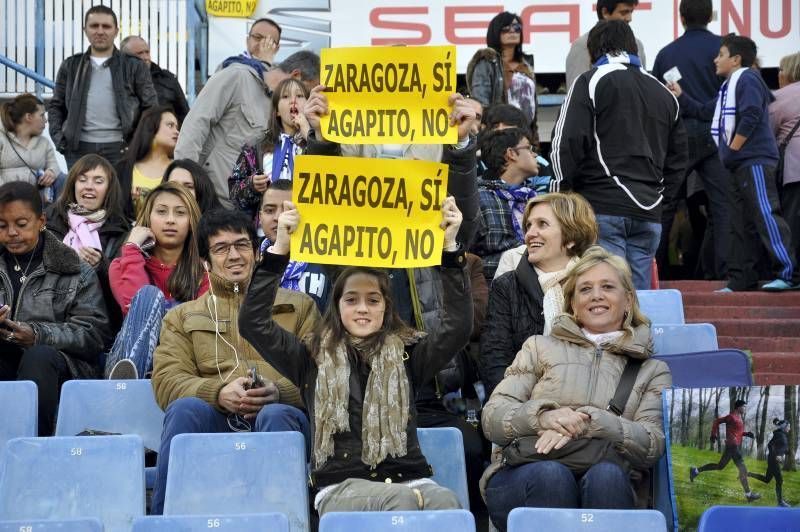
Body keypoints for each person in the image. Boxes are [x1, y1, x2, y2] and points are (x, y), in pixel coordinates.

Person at [239, 197, 471, 515]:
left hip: (409, 479)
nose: (363, 308)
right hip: (340, 485)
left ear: (386, 308)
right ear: (337, 308)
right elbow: (253, 322)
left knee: (447, 503)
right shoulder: (309, 357)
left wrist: (449, 248)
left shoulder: (409, 355)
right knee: (399, 503)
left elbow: (457, 327)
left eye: (373, 300)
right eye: (352, 299)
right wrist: (279, 249)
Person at [480, 246, 671, 531]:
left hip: (609, 481)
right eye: (585, 289)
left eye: (607, 287)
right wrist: (542, 417)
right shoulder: (539, 347)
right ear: (572, 303)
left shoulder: (651, 370)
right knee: (552, 476)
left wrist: (595, 423)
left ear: (628, 300)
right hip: (525, 474)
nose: (596, 295)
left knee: (606, 476)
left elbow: (652, 445)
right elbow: (493, 417)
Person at [149, 207, 317, 515]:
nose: (234, 255)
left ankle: (287, 522)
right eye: (221, 248)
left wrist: (279, 391)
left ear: (256, 252)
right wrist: (218, 392)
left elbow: (325, 375)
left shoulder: (301, 307)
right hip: (217, 419)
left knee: (276, 414)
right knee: (185, 409)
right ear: (205, 261)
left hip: (282, 418)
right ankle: (164, 522)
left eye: (242, 245)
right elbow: (166, 382)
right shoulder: (181, 317)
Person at [551, 20, 687, 290]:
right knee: (636, 304)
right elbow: (679, 159)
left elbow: (566, 143)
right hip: (649, 214)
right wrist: (660, 200)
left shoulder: (589, 81)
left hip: (601, 208)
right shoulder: (664, 93)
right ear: (632, 47)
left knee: (604, 298)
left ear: (592, 52)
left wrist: (559, 194)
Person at [672, 35, 800, 291]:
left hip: (753, 160)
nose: (715, 59)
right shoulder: (727, 87)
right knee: (740, 222)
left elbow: (752, 113)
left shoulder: (748, 78)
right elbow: (706, 112)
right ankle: (743, 278)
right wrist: (681, 95)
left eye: (721, 54)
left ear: (736, 59)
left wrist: (732, 149)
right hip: (737, 163)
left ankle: (789, 274)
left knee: (765, 215)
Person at [0, 181, 111, 435]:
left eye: (21, 224)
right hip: (7, 360)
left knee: (38, 356)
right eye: (2, 226)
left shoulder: (74, 269)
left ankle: (34, 445)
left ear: (41, 221)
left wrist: (38, 335)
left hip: (64, 367)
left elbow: (94, 335)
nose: (11, 233)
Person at [480, 192, 598, 397]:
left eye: (542, 224)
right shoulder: (506, 287)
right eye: (529, 226)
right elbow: (494, 360)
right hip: (523, 406)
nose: (530, 234)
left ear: (570, 237)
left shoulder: (597, 284)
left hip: (589, 401)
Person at [175, 47, 320, 207]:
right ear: (296, 76)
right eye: (306, 92)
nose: (307, 101)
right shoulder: (237, 77)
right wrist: (183, 188)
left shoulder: (288, 121)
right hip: (208, 201)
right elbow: (195, 125)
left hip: (245, 214)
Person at [651, 0, 730, 280]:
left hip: (678, 136)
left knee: (665, 205)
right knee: (723, 205)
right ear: (710, 15)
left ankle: (656, 272)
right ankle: (723, 272)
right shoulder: (725, 50)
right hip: (717, 135)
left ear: (681, 16)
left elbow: (656, 101)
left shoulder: (666, 54)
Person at [106, 182, 209, 379]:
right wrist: (132, 248)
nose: (170, 220)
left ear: (191, 221)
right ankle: (132, 377)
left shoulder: (205, 270)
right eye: (161, 212)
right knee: (147, 295)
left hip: (182, 362)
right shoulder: (121, 265)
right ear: (148, 219)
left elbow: (200, 328)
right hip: (124, 359)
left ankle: (155, 377)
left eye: (180, 213)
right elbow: (132, 307)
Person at [48, 5, 157, 167]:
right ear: (85, 30)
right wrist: (60, 139)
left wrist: (139, 143)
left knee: (119, 193)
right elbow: (56, 106)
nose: (100, 31)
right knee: (82, 193)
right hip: (78, 149)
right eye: (94, 26)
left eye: (106, 26)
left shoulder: (134, 66)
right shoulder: (70, 66)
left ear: (116, 31)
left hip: (122, 148)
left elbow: (151, 107)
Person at [45, 154, 130, 333]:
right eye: (82, 180)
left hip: (94, 323)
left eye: (98, 181)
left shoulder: (121, 231)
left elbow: (124, 292)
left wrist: (101, 266)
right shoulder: (50, 220)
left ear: (109, 189)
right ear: (73, 184)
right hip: (47, 313)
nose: (89, 186)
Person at [229, 78, 310, 220]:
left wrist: (310, 135)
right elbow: (234, 193)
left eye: (299, 96)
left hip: (305, 228)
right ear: (277, 111)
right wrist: (251, 185)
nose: (293, 101)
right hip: (265, 232)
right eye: (285, 97)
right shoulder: (256, 147)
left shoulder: (318, 143)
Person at [472, 127, 540, 279]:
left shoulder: (533, 197)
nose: (535, 154)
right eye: (529, 148)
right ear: (511, 154)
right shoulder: (478, 197)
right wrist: (514, 262)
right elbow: (469, 259)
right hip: (495, 290)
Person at [255, 180, 331, 311]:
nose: (279, 218)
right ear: (260, 217)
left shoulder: (327, 257)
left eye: (288, 210)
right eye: (269, 210)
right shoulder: (246, 257)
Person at [467, 12, 539, 145]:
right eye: (506, 28)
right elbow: (481, 105)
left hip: (525, 135)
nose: (512, 31)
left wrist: (533, 139)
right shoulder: (487, 62)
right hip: (499, 136)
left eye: (517, 28)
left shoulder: (526, 65)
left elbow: (532, 108)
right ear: (496, 32)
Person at [115, 105, 179, 220]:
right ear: (151, 126)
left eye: (177, 127)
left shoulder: (179, 170)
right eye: (170, 125)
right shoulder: (123, 169)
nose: (177, 132)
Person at [690, 399, 760, 502]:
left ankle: (695, 470)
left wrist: (746, 434)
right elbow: (716, 421)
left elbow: (737, 432)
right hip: (732, 446)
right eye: (744, 407)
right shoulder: (731, 417)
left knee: (720, 466)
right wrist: (713, 434)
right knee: (743, 470)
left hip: (732, 446)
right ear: (738, 407)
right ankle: (749, 496)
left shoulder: (739, 418)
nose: (745, 408)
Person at [565, 0, 647, 87]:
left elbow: (644, 86)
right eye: (624, 12)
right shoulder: (582, 45)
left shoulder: (638, 44)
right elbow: (576, 93)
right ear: (605, 12)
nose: (629, 18)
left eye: (631, 12)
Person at [770, 52, 800, 267]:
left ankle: (792, 270)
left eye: (781, 69)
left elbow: (768, 132)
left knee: (792, 221)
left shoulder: (780, 97)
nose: (778, 74)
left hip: (794, 169)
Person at [120, 35, 190, 124]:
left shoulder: (167, 79)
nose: (145, 57)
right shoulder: (114, 81)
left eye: (147, 52)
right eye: (139, 53)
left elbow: (185, 116)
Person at [0, 94, 60, 198]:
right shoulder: (2, 139)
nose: (46, 120)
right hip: (6, 198)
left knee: (63, 179)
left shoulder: (44, 142)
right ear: (29, 117)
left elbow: (54, 166)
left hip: (35, 198)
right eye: (42, 115)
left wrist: (51, 172)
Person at [748, 418, 791, 507]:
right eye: (788, 427)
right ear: (784, 427)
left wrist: (786, 452)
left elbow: (782, 447)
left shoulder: (782, 435)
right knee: (779, 480)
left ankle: (748, 474)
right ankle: (780, 502)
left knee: (767, 479)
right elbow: (770, 445)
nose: (789, 429)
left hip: (773, 459)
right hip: (773, 460)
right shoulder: (779, 434)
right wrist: (776, 455)